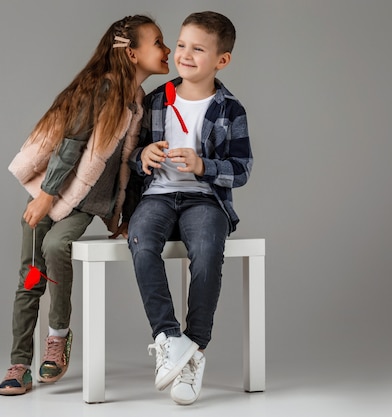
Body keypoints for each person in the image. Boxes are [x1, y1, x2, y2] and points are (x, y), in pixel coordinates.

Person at [0, 15, 171, 396]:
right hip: (49, 195)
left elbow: (132, 169)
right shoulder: (104, 88)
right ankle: (19, 363)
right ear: (131, 53)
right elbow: (71, 144)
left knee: (58, 246)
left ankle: (58, 337)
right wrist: (44, 195)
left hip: (79, 203)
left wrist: (125, 217)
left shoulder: (139, 103)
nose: (167, 49)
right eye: (158, 42)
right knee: (30, 277)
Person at [127, 11, 252, 405]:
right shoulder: (156, 100)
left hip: (205, 200)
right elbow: (131, 154)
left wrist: (203, 165)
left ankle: (195, 348)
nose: (184, 54)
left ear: (221, 60)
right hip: (158, 196)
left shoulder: (230, 109)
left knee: (208, 251)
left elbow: (242, 168)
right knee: (141, 240)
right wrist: (143, 155)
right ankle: (168, 338)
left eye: (198, 49)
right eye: (181, 45)